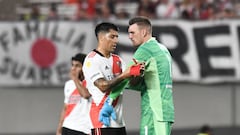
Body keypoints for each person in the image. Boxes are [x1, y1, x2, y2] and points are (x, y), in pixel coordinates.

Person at [100, 16, 175, 135]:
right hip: (166, 111)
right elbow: (154, 80)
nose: (130, 36)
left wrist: (110, 100)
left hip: (153, 111)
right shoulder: (163, 49)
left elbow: (126, 76)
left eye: (132, 33)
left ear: (144, 32)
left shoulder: (146, 49)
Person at [82, 22, 144, 135]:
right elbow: (102, 86)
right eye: (112, 37)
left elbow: (131, 83)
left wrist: (138, 73)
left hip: (118, 122)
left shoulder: (118, 60)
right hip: (101, 121)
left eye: (117, 37)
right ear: (101, 37)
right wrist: (125, 74)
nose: (116, 40)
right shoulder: (92, 60)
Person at [56, 53, 91, 135]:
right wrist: (59, 128)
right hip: (67, 127)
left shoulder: (91, 83)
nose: (73, 68)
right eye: (72, 65)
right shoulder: (69, 84)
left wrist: (75, 79)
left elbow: (85, 95)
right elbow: (65, 108)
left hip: (83, 129)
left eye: (77, 66)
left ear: (84, 67)